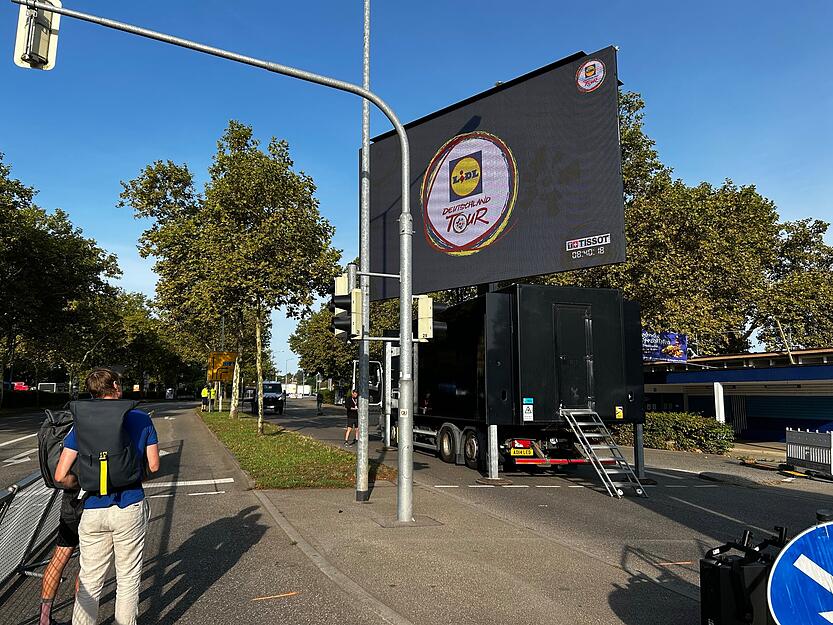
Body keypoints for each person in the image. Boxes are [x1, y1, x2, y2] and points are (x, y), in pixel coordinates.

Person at [54, 369, 160, 625]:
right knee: (128, 578)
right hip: (130, 505)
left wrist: (82, 482)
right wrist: (131, 477)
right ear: (115, 385)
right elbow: (154, 466)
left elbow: (60, 475)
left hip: (93, 507)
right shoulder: (140, 418)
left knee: (90, 580)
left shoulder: (82, 423)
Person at [39, 488, 83, 625]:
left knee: (58, 559)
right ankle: (79, 617)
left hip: (70, 504)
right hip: (91, 505)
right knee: (87, 564)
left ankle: (44, 619)